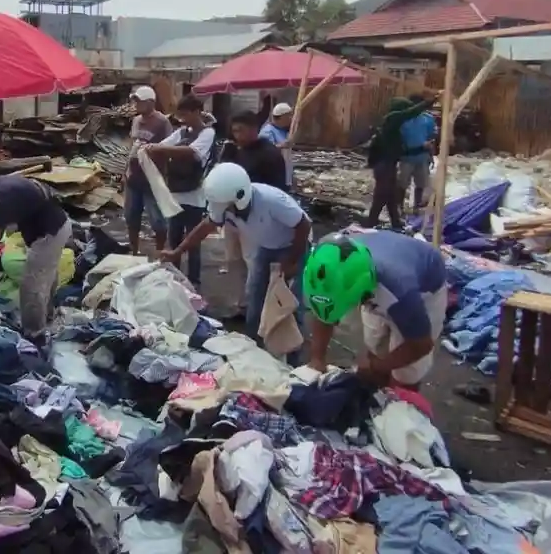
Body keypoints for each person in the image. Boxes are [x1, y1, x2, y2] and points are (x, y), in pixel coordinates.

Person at [160, 162, 311, 363]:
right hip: (266, 247)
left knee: (289, 302)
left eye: (227, 206)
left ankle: (293, 359)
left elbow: (303, 224)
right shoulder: (225, 203)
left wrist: (292, 261)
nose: (224, 210)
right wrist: (178, 251)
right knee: (255, 296)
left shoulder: (271, 201)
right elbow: (206, 227)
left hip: (294, 245)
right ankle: (253, 348)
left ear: (240, 197)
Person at [303, 230, 448, 391]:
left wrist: (376, 365)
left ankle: (399, 400)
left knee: (406, 373)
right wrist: (317, 359)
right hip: (382, 274)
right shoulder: (332, 265)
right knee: (376, 345)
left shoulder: (401, 292)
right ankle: (375, 392)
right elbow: (323, 312)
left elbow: (420, 345)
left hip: (425, 289)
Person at [0, 170, 71, 341]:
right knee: (46, 275)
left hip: (50, 234)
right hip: (53, 227)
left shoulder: (4, 196)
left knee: (31, 286)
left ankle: (34, 335)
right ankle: (48, 316)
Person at [144, 94, 216, 288]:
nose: (182, 119)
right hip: (175, 195)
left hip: (195, 197)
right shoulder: (182, 132)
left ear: (197, 112)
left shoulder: (207, 133)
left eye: (185, 114)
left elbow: (193, 152)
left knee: (193, 242)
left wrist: (160, 149)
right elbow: (164, 145)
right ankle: (175, 279)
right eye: (180, 115)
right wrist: (152, 148)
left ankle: (194, 282)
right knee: (174, 240)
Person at [365, 96, 436, 229]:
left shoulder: (394, 129)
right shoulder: (392, 118)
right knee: (381, 196)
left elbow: (403, 151)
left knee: (391, 197)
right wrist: (432, 99)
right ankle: (370, 224)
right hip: (384, 165)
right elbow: (411, 112)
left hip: (389, 165)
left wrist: (422, 148)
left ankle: (395, 223)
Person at [124, 85, 173, 255]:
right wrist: (126, 170)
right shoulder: (136, 121)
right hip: (134, 178)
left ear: (151, 102)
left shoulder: (162, 122)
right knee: (131, 217)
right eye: (135, 101)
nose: (136, 104)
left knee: (157, 220)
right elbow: (132, 146)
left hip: (152, 179)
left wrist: (153, 151)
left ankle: (160, 253)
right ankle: (134, 252)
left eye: (140, 101)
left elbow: (170, 148)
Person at [221, 110, 288, 190]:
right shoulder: (234, 151)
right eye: (235, 131)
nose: (238, 136)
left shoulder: (270, 154)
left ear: (254, 129)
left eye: (241, 130)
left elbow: (278, 189)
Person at [397, 93, 437, 211]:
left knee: (420, 183)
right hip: (406, 157)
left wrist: (431, 153)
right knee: (402, 184)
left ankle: (416, 208)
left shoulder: (428, 119)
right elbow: (397, 138)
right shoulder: (402, 119)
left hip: (422, 156)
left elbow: (432, 137)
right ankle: (399, 208)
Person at [258, 102, 294, 190]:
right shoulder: (267, 131)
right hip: (273, 173)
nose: (291, 118)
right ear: (281, 117)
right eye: (289, 116)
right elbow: (264, 151)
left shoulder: (283, 130)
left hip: (284, 171)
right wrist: (282, 145)